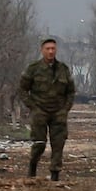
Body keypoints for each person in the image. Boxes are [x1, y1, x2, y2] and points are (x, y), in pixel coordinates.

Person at [17, 37, 76, 180]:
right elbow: (22, 89)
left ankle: (55, 173)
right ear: (42, 50)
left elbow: (71, 91)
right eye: (47, 49)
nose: (50, 51)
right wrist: (32, 106)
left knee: (58, 144)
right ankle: (32, 167)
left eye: (53, 49)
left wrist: (65, 108)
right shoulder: (33, 69)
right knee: (39, 143)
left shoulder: (63, 69)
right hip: (39, 111)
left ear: (56, 50)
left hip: (58, 112)